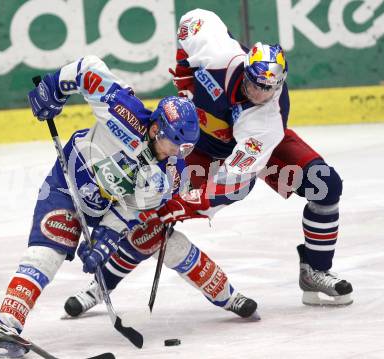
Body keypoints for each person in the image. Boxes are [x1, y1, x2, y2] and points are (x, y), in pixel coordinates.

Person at [64, 8, 352, 316]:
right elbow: (191, 21)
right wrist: (185, 72)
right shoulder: (217, 54)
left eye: (267, 88)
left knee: (326, 185)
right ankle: (101, 284)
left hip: (249, 154)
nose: (257, 92)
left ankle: (315, 271)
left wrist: (189, 203)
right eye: (253, 82)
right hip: (194, 148)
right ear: (246, 68)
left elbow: (235, 180)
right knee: (151, 216)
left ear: (279, 83)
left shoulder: (266, 120)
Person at [0, 54, 256, 359]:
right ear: (155, 130)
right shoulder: (123, 112)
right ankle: (4, 328)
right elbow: (88, 69)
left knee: (160, 238)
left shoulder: (166, 176)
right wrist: (53, 87)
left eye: (184, 147)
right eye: (173, 143)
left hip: (106, 205)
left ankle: (224, 294)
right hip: (67, 183)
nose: (177, 152)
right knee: (46, 253)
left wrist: (105, 240)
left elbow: (129, 209)